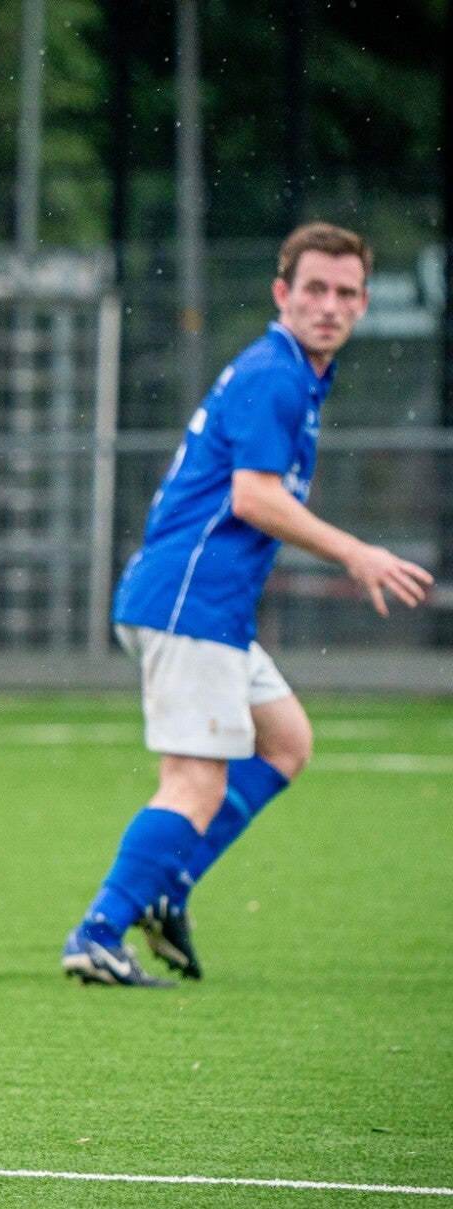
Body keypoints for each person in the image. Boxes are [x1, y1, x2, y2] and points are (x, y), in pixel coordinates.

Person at [64, 223, 434, 987]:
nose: (329, 305)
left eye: (345, 292)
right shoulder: (277, 375)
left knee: (286, 741)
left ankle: (167, 886)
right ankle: (100, 930)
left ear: (364, 304)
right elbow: (254, 499)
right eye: (314, 289)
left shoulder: (294, 374)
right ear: (281, 294)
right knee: (195, 781)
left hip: (207, 605)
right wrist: (356, 553)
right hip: (190, 601)